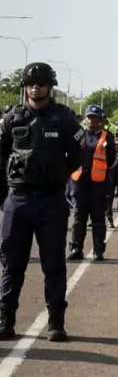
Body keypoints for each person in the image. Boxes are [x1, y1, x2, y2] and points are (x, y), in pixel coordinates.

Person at [0, 62, 84, 341]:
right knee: (12, 264)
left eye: (41, 83)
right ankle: (6, 319)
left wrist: (58, 175)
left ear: (50, 86)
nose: (35, 87)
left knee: (54, 264)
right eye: (30, 83)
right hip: (18, 200)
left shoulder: (64, 118)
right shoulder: (12, 118)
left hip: (51, 201)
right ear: (25, 87)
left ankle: (56, 322)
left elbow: (77, 156)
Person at [69, 105, 117, 261]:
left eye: (94, 117)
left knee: (97, 217)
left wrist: (100, 169)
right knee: (78, 216)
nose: (91, 120)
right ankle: (77, 248)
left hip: (98, 182)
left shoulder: (107, 137)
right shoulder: (78, 134)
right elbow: (69, 153)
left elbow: (111, 158)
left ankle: (98, 250)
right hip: (79, 180)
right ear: (85, 119)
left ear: (101, 120)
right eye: (89, 117)